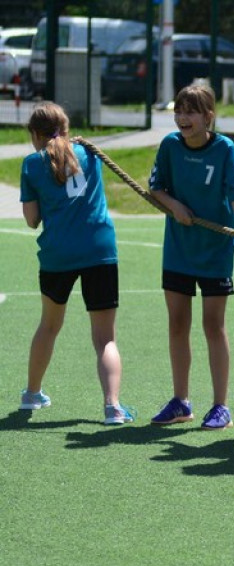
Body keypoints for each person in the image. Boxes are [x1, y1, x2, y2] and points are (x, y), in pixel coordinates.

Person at [148, 83, 234, 430]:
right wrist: (175, 205)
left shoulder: (224, 148)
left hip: (214, 252)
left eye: (191, 112)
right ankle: (181, 400)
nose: (183, 118)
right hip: (178, 250)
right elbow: (156, 188)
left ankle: (220, 406)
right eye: (179, 111)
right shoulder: (170, 145)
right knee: (177, 323)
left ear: (209, 116)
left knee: (213, 325)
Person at [18, 101, 133, 425]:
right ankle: (112, 407)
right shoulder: (90, 153)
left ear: (35, 134)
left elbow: (31, 220)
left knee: (49, 325)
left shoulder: (32, 164)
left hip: (58, 254)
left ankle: (32, 394)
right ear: (66, 128)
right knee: (105, 338)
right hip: (99, 250)